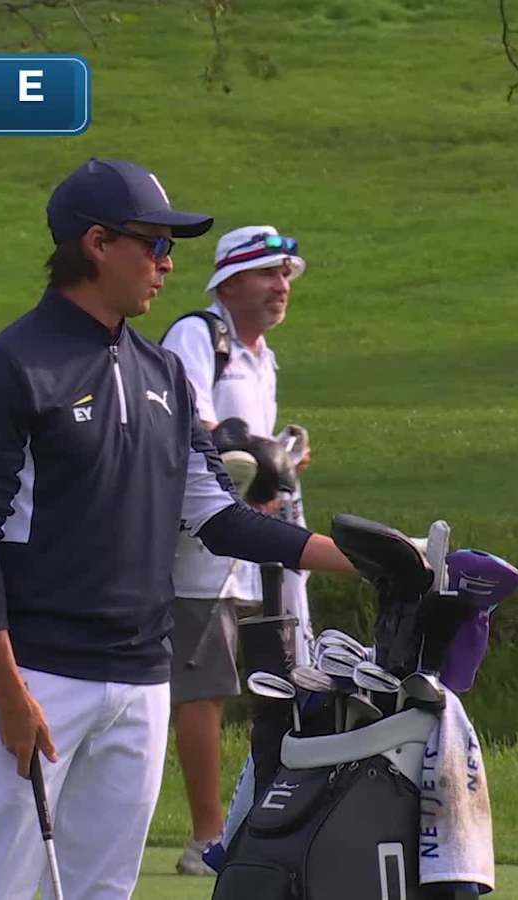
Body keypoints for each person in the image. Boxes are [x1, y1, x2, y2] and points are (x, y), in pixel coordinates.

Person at [0, 158, 356, 900]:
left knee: (105, 892)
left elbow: (220, 518)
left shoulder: (162, 372)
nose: (167, 264)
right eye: (155, 245)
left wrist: (365, 558)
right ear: (98, 244)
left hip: (138, 678)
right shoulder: (9, 368)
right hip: (34, 673)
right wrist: (5, 687)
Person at [160, 225, 314, 875]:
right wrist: (251, 459)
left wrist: (279, 464)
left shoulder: (262, 356)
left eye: (286, 275)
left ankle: (247, 826)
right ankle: (204, 838)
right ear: (229, 282)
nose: (281, 286)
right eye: (267, 274)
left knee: (255, 679)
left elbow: (247, 448)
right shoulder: (198, 335)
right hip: (196, 544)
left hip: (243, 544)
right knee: (205, 687)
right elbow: (190, 426)